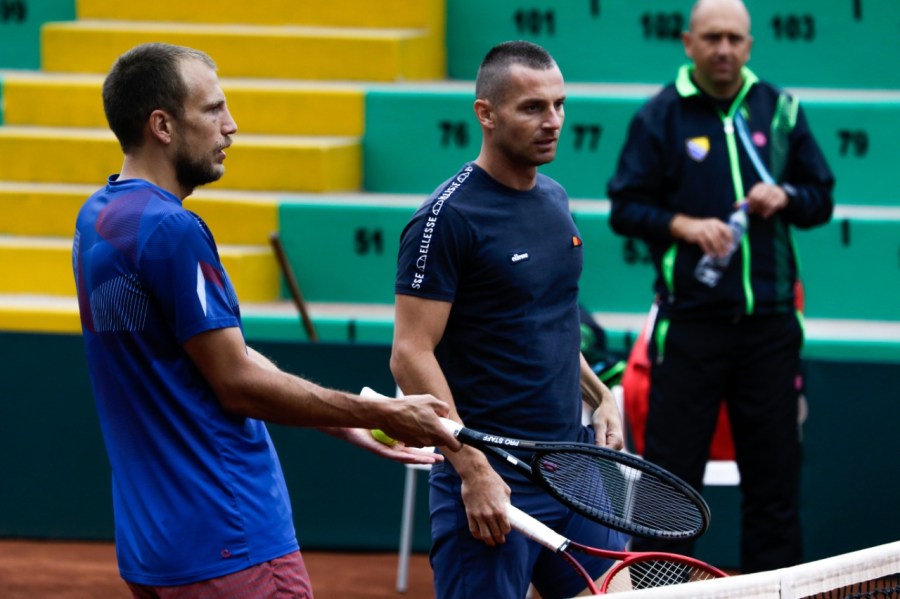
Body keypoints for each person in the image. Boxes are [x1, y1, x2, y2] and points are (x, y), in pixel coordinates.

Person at [71, 42, 461, 598]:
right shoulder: (172, 230)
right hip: (229, 540)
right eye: (212, 110)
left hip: (154, 550)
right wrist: (382, 410)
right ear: (162, 124)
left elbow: (215, 356)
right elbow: (236, 384)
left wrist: (347, 420)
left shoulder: (98, 218)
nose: (230, 127)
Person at [390, 40, 628, 599]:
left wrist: (600, 396)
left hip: (573, 468)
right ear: (486, 113)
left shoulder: (555, 199)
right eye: (533, 108)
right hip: (492, 477)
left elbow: (545, 320)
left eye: (560, 105)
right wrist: (472, 469)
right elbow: (409, 353)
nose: (553, 122)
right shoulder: (444, 220)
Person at [607, 0, 834, 573]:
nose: (724, 49)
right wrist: (682, 225)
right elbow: (625, 207)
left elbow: (821, 198)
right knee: (669, 485)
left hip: (771, 328)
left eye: (735, 38)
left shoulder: (780, 110)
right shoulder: (660, 115)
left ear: (750, 45)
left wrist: (787, 196)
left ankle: (775, 589)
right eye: (712, 38)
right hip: (690, 328)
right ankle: (664, 590)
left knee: (775, 485)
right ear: (688, 43)